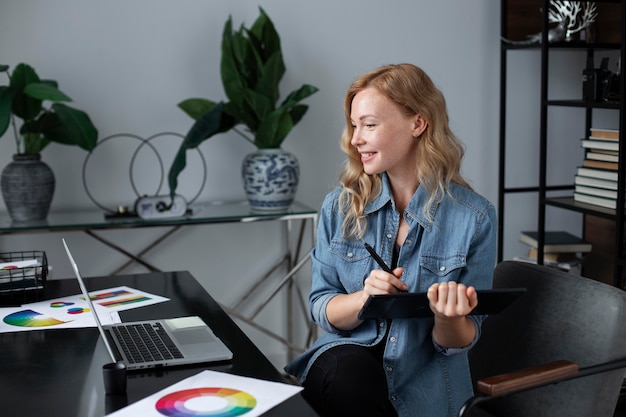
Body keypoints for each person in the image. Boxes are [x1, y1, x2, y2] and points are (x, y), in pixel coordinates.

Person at [284, 63, 497, 417]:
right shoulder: (340, 206)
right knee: (347, 375)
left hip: (424, 382)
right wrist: (364, 299)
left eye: (369, 125)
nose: (355, 139)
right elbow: (322, 307)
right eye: (354, 126)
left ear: (418, 122)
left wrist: (447, 318)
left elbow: (460, 340)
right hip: (343, 365)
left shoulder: (473, 217)